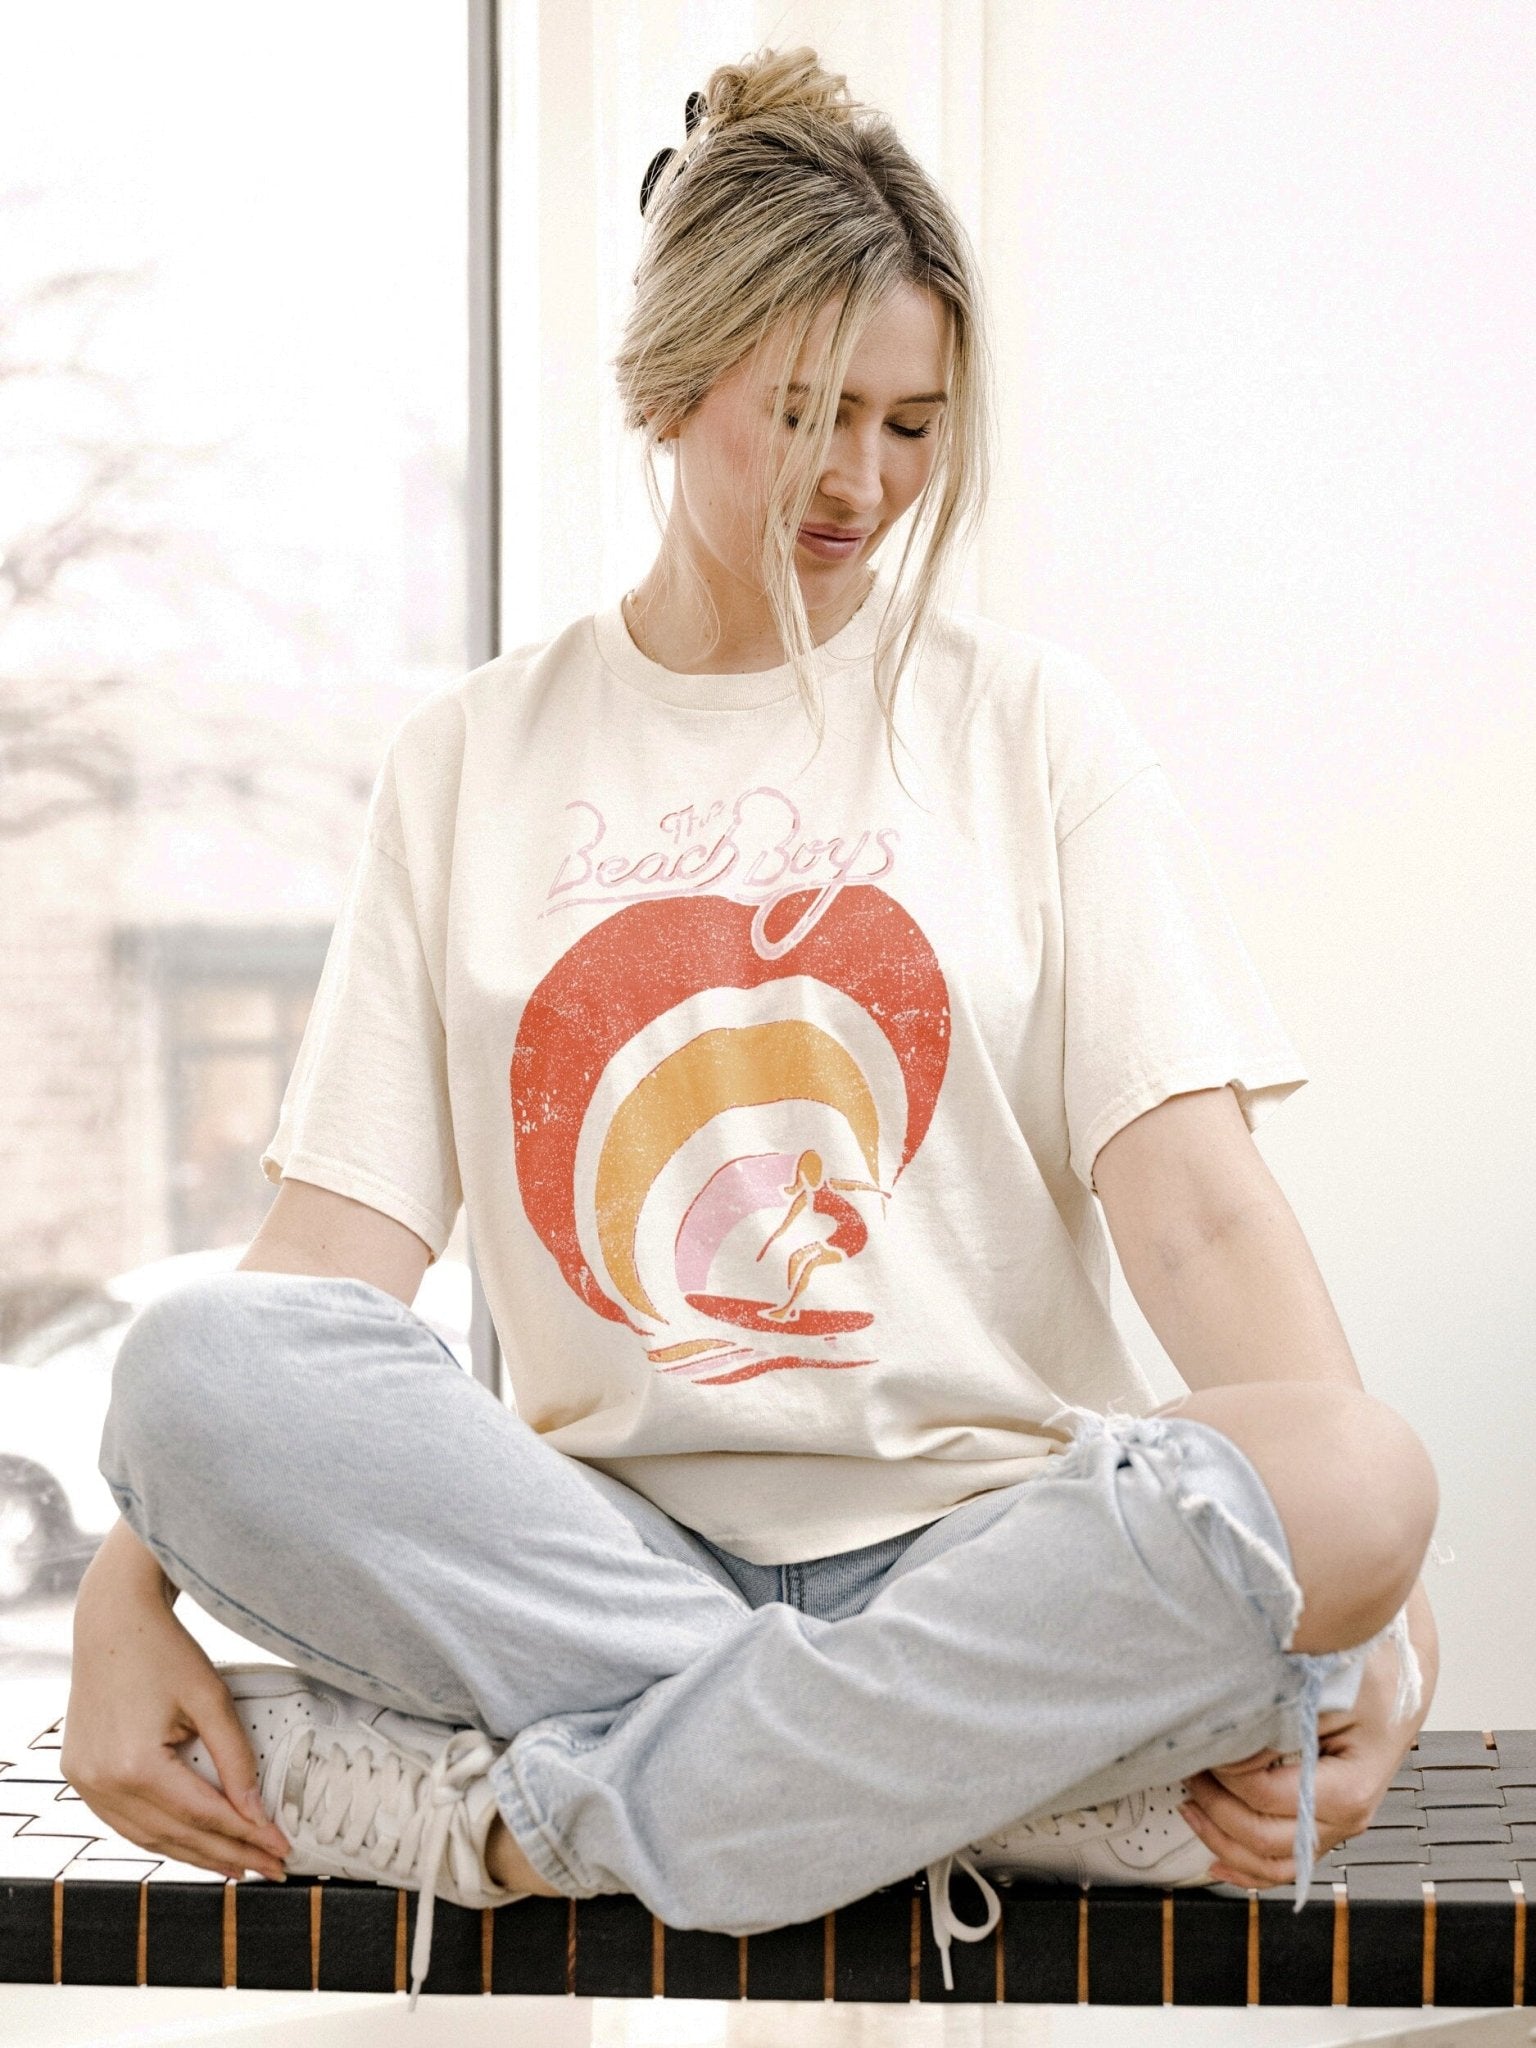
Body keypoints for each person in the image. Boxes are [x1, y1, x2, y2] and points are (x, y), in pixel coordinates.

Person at [61, 46, 1439, 2010]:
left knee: (1367, 1479)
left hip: (990, 1565)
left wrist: (1388, 1620)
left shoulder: (1032, 728)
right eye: (803, 414)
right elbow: (327, 1277)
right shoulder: (472, 759)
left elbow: (1200, 1211)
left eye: (910, 423)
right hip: (582, 1567)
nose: (862, 481)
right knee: (189, 1365)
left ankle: (537, 1817)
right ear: (669, 385)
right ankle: (951, 1791)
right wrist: (131, 1587)